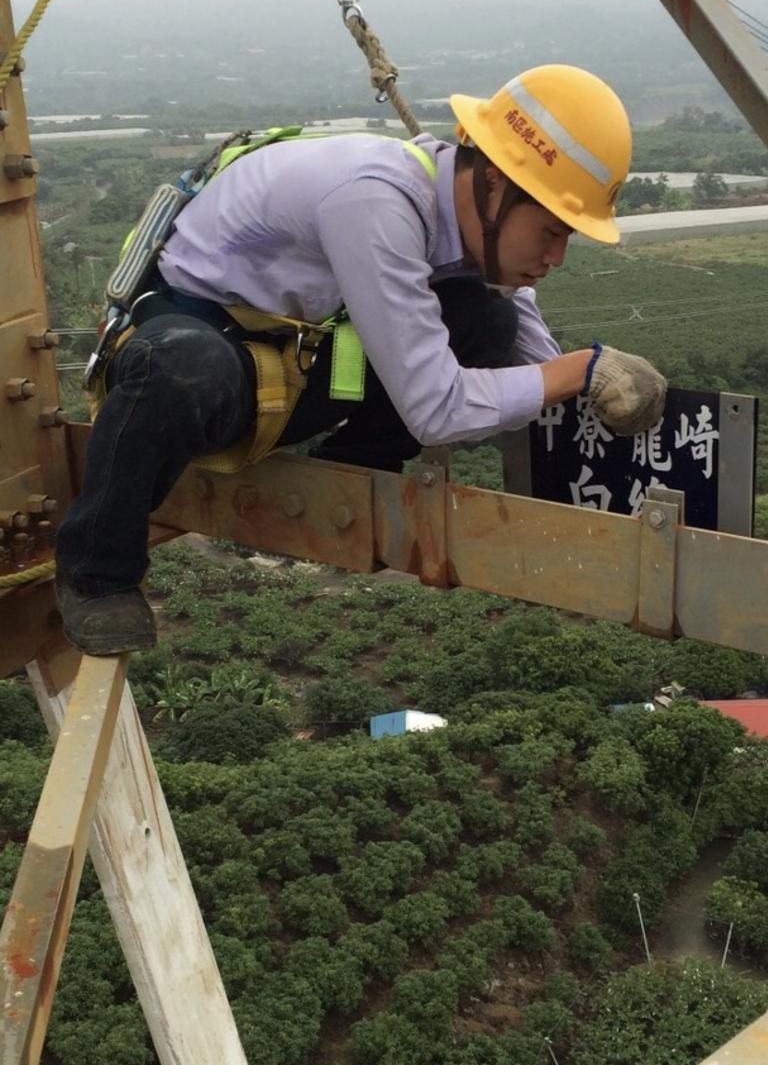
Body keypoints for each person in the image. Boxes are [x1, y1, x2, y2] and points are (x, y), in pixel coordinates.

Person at [55, 64, 666, 655]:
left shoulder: (459, 214)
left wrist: (585, 380)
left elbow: (530, 360)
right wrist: (580, 370)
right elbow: (441, 412)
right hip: (203, 349)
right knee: (182, 368)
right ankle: (96, 574)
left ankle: (353, 469)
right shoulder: (376, 201)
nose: (556, 257)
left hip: (288, 350)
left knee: (488, 319)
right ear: (493, 185)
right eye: (551, 232)